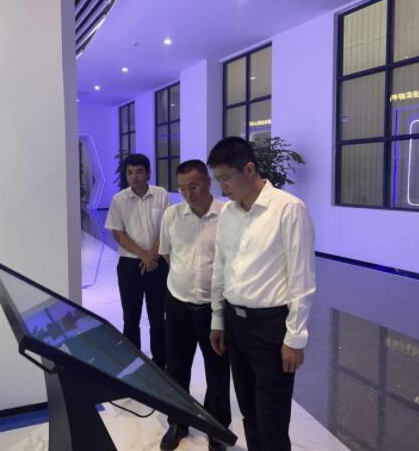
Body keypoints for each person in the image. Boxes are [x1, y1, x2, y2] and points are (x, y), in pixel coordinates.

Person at [207, 137, 316, 451]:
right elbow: (221, 267)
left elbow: (302, 279)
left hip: (270, 328)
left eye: (226, 178)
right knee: (249, 411)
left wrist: (294, 339)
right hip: (235, 323)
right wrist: (218, 319)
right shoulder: (228, 213)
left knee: (272, 417)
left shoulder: (288, 209)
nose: (222, 187)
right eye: (218, 180)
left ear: (249, 169)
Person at [158, 160, 231, 451]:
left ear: (208, 183)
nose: (188, 193)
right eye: (182, 187)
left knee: (217, 371)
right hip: (178, 304)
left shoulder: (228, 214)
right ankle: (178, 423)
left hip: (215, 309)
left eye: (194, 186)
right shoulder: (172, 215)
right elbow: (166, 254)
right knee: (176, 368)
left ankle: (217, 429)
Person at [105, 153, 168, 368]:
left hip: (157, 262)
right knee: (131, 318)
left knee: (158, 317)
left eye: (139, 172)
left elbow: (164, 227)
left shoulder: (160, 194)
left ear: (148, 173)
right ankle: (132, 366)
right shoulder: (119, 199)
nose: (134, 177)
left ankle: (160, 365)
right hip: (130, 265)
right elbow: (118, 234)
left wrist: (152, 255)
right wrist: (143, 255)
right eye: (130, 172)